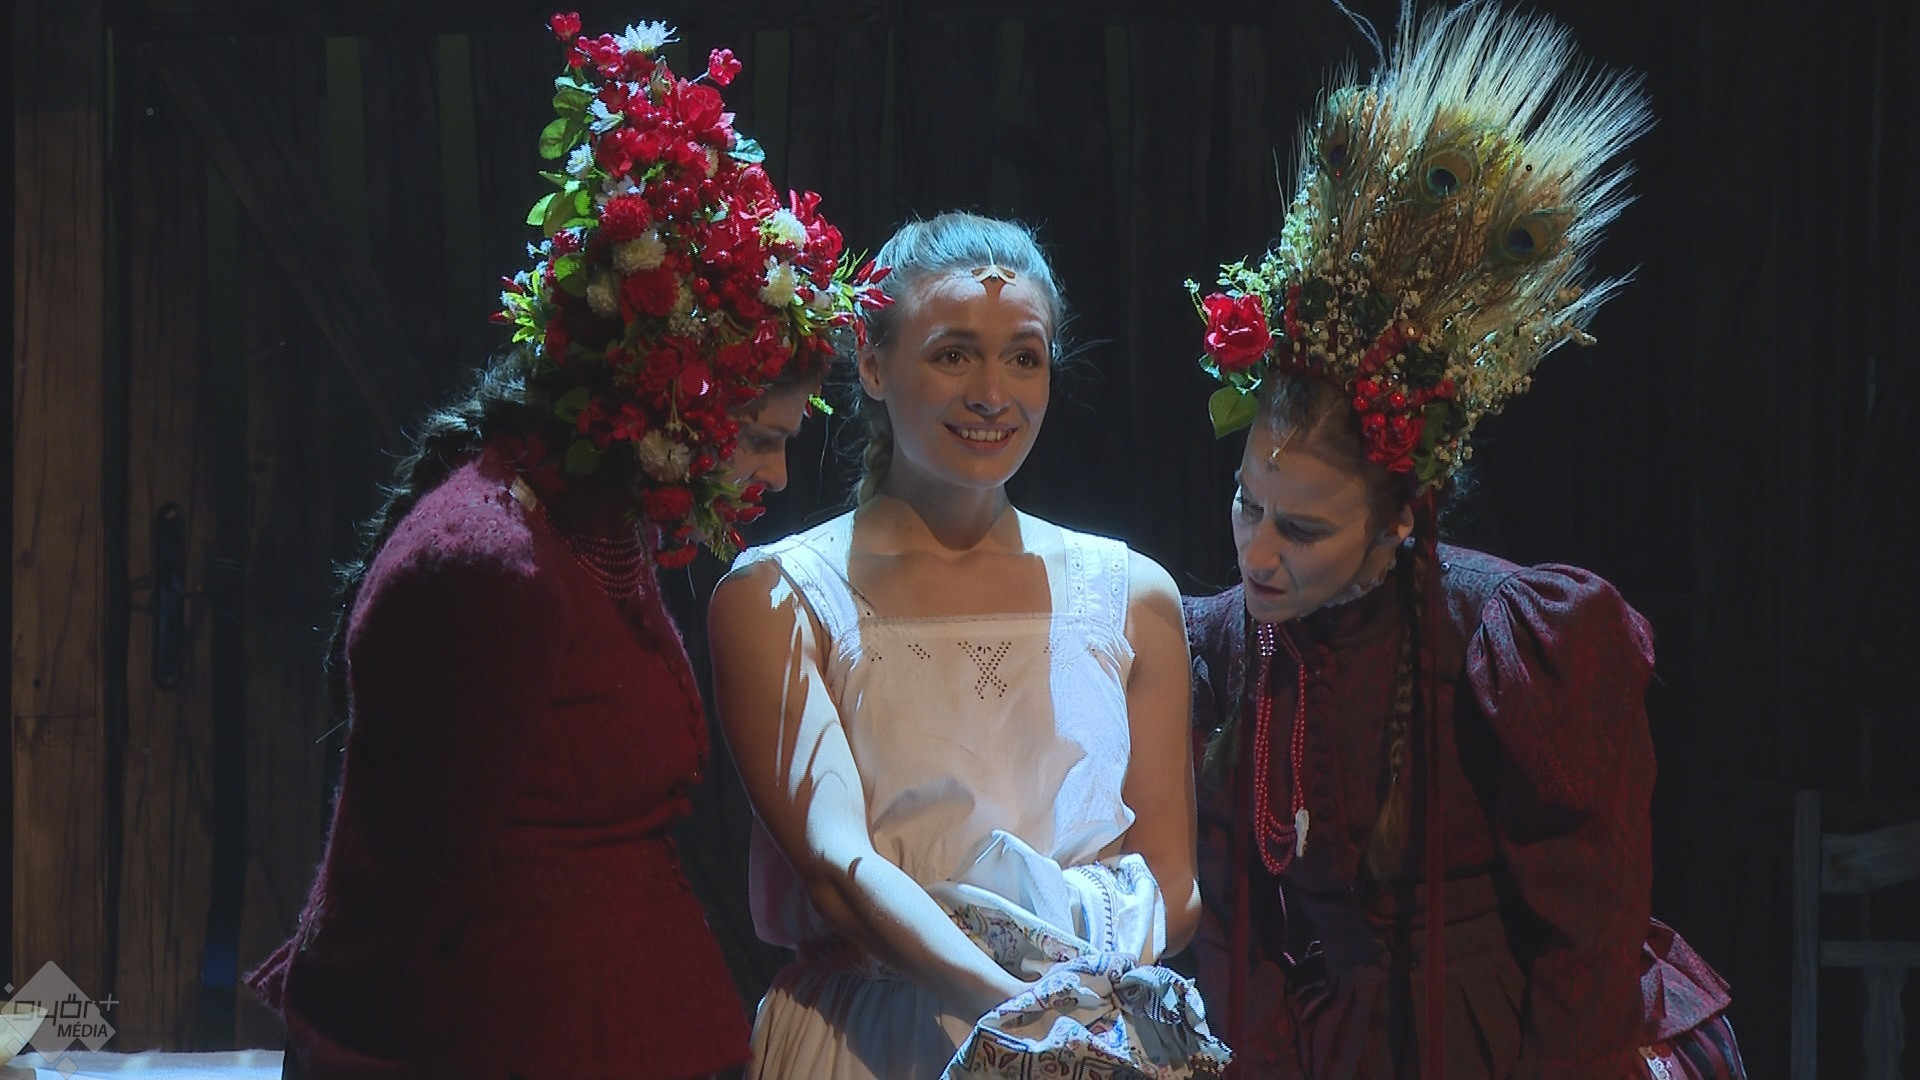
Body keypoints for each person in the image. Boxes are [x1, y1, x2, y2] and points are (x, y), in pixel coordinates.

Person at [242, 14, 883, 1079]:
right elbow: (395, 891)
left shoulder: (597, 526)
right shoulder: (489, 561)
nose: (774, 476)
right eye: (760, 436)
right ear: (670, 390)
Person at [1180, 5, 1745, 1079]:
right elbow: (1233, 933)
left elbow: (1587, 933)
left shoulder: (1515, 640)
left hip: (1519, 1036)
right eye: (1247, 505)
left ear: (1399, 519)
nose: (1257, 553)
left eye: (1303, 528)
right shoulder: (1222, 647)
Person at [707, 212, 1224, 1079]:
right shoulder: (781, 595)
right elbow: (836, 867)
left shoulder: (1131, 596)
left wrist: (1076, 989)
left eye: (1023, 357)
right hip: (877, 1045)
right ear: (873, 365)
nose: (993, 393)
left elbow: (1173, 882)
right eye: (953, 355)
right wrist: (1019, 1013)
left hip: (1089, 1038)